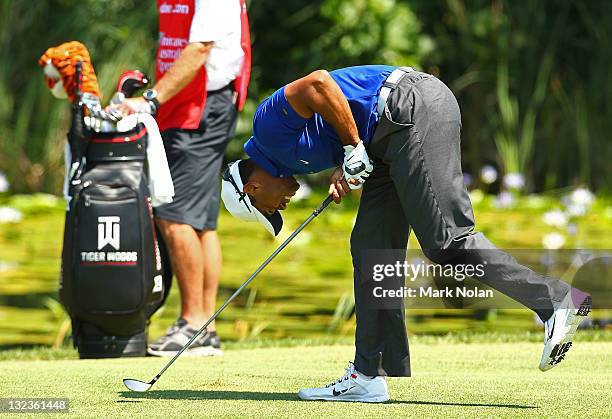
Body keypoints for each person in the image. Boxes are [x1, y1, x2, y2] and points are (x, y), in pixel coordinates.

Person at [220, 65, 592, 402]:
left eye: (269, 209)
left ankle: (556, 301)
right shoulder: (290, 159)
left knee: (447, 240)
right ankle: (368, 374)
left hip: (409, 106)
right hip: (388, 137)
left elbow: (318, 83)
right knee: (371, 248)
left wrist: (352, 147)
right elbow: (338, 129)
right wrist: (345, 163)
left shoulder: (266, 129)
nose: (280, 208)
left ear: (251, 188)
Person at [118, 0, 251, 356]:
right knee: (200, 221)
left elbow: (198, 50)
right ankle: (204, 327)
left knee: (173, 213)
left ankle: (193, 324)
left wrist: (150, 99)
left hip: (202, 108)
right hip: (189, 106)